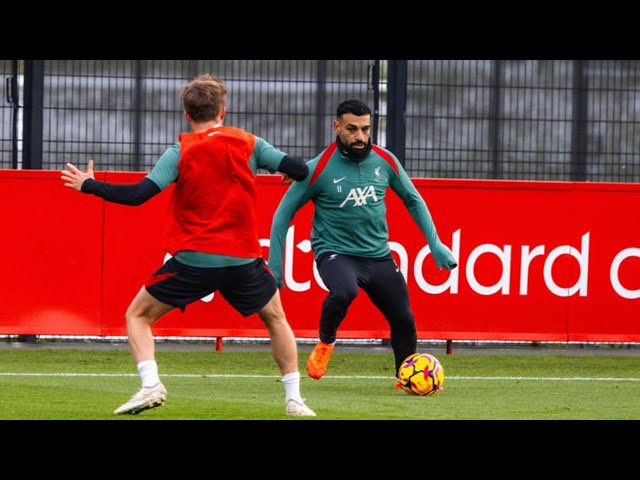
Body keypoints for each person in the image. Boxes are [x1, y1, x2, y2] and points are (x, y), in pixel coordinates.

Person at [60, 74, 316, 417]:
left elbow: (139, 195)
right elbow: (300, 169)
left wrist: (90, 185)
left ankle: (151, 384)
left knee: (136, 315)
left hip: (194, 259)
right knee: (276, 320)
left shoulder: (181, 151)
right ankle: (295, 400)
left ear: (187, 114)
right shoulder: (250, 143)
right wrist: (286, 170)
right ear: (223, 111)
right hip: (242, 259)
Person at [268, 99, 458, 386]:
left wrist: (435, 244)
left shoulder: (385, 161)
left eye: (366, 129)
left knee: (403, 319)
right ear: (337, 127)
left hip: (378, 256)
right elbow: (282, 214)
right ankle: (326, 342)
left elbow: (413, 200)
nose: (360, 137)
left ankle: (404, 377)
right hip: (335, 253)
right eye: (352, 129)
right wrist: (276, 264)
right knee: (344, 292)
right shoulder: (318, 169)